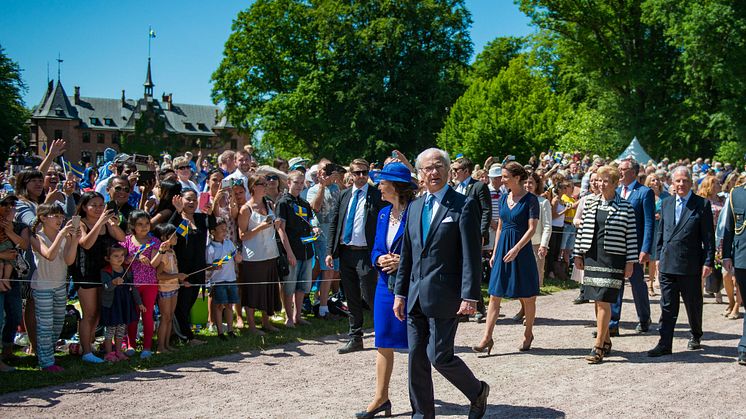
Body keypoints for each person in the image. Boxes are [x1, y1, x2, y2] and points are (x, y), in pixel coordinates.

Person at [393, 148, 489, 419]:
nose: (433, 172)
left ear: (448, 171)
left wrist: (470, 295)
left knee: (439, 356)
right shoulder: (414, 207)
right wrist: (400, 293)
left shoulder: (464, 205)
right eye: (427, 168)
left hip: (446, 295)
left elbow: (471, 254)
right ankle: (422, 415)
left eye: (438, 167)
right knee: (416, 358)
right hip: (414, 296)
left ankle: (477, 391)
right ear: (420, 174)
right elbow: (408, 257)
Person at [356, 162, 416, 418]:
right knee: (383, 342)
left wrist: (402, 260)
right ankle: (381, 398)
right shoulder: (382, 213)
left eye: (382, 182)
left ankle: (420, 400)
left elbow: (423, 248)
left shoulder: (416, 211)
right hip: (384, 284)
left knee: (417, 343)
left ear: (396, 186)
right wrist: (379, 259)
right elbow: (376, 247)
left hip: (411, 284)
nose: (379, 186)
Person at [648, 166, 715, 357]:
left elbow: (708, 237)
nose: (681, 184)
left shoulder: (701, 205)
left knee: (693, 304)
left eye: (685, 180)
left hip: (690, 264)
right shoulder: (667, 203)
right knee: (667, 305)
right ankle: (664, 343)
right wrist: (659, 255)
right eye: (678, 181)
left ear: (691, 182)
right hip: (668, 262)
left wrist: (708, 262)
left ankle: (696, 334)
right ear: (672, 182)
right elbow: (661, 232)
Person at [474, 162, 539, 354]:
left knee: (528, 296)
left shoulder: (530, 200)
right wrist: (495, 252)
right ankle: (487, 338)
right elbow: (501, 227)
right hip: (502, 248)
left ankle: (528, 333)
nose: (501, 180)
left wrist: (517, 248)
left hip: (522, 250)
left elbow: (532, 229)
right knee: (495, 294)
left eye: (505, 176)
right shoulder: (503, 198)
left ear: (516, 178)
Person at [574, 166, 637, 364]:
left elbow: (631, 236)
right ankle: (606, 340)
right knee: (595, 298)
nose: (601, 184)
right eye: (599, 180)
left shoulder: (626, 206)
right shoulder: (591, 202)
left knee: (604, 300)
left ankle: (598, 346)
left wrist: (630, 261)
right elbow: (582, 229)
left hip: (614, 258)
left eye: (606, 181)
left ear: (616, 183)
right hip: (592, 255)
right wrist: (578, 254)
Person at [326, 158, 385, 353]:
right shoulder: (344, 196)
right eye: (357, 173)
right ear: (350, 174)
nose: (361, 176)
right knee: (351, 296)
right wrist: (329, 251)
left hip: (366, 253)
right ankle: (355, 336)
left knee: (371, 295)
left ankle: (384, 333)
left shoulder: (377, 195)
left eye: (364, 172)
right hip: (346, 252)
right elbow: (335, 223)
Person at [74, 191, 126, 363]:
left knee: (97, 313)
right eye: (93, 205)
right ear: (84, 207)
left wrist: (110, 223)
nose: (98, 209)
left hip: (104, 273)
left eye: (101, 205)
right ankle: (86, 352)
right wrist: (99, 223)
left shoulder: (106, 222)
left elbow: (122, 238)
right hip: (86, 272)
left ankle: (87, 345)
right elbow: (86, 244)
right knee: (88, 313)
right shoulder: (80, 223)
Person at [30, 203, 78, 371]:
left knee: (58, 324)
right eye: (55, 216)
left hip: (60, 285)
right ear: (43, 218)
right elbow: (49, 255)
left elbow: (69, 260)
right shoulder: (36, 236)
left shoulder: (63, 235)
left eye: (61, 216)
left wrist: (74, 241)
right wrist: (62, 235)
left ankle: (46, 354)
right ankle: (46, 362)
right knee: (45, 325)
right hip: (42, 286)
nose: (60, 219)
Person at [611, 158, 654, 335]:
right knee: (615, 283)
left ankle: (644, 318)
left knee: (637, 284)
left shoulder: (644, 192)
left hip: (635, 248)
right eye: (619, 169)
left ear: (634, 172)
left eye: (624, 169)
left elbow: (649, 223)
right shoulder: (616, 191)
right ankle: (612, 323)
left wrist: (645, 249)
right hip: (617, 246)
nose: (620, 172)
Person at [169, 188, 214, 344]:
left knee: (189, 304)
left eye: (194, 199)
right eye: (188, 199)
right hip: (182, 269)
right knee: (182, 305)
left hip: (198, 268)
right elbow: (169, 233)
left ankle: (180, 334)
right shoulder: (176, 218)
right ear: (180, 200)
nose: (191, 202)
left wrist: (210, 212)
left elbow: (213, 225)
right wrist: (177, 213)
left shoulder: (200, 218)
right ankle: (187, 337)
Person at [237, 176, 281, 334]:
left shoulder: (269, 204)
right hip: (254, 256)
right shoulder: (245, 209)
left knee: (267, 290)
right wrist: (260, 228)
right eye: (262, 184)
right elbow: (242, 236)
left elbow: (274, 227)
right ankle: (252, 326)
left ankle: (266, 322)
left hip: (270, 253)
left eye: (265, 184)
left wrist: (276, 224)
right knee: (253, 291)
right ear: (253, 187)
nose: (266, 186)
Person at [450, 157, 492, 323]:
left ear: (466, 171)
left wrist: (481, 233)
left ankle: (479, 306)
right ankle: (462, 308)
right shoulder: (454, 188)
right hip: (456, 234)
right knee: (459, 269)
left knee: (472, 268)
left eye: (456, 170)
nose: (453, 173)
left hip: (473, 234)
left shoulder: (478, 186)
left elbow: (486, 210)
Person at [276, 171, 317, 328]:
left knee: (302, 287)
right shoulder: (283, 203)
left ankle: (297, 315)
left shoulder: (305, 204)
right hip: (291, 251)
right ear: (288, 183)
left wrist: (315, 230)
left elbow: (311, 222)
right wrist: (289, 253)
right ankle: (288, 318)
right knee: (289, 286)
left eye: (302, 183)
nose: (299, 186)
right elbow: (281, 230)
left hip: (306, 251)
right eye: (296, 182)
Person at [120, 210, 162, 359]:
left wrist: (161, 252)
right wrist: (135, 257)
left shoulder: (154, 241)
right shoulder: (127, 240)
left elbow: (154, 263)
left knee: (147, 314)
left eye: (146, 224)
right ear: (132, 226)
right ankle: (130, 344)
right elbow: (122, 259)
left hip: (150, 283)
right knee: (132, 315)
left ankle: (147, 347)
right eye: (140, 224)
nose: (144, 227)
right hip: (132, 284)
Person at [307, 161, 342, 320]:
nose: (325, 173)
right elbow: (314, 207)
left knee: (332, 271)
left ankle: (320, 300)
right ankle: (322, 308)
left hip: (336, 235)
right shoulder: (312, 189)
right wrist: (322, 186)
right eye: (322, 170)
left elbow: (347, 198)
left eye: (328, 170)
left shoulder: (337, 188)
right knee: (327, 270)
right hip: (321, 234)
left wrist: (338, 180)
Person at [100, 244, 145, 362]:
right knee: (110, 330)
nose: (120, 258)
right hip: (111, 305)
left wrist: (139, 303)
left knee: (121, 329)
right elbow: (105, 287)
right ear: (107, 258)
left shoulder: (127, 270)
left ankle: (119, 351)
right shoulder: (105, 271)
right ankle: (109, 353)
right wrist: (113, 282)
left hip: (124, 304)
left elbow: (133, 288)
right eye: (115, 256)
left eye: (122, 255)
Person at [206, 217, 242, 340]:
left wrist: (238, 258)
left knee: (229, 306)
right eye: (221, 230)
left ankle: (230, 330)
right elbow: (207, 266)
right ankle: (220, 331)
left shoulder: (229, 243)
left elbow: (236, 257)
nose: (224, 232)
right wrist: (213, 267)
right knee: (219, 306)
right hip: (218, 281)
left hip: (231, 279)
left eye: (225, 229)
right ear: (213, 232)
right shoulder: (210, 248)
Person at [153, 223, 185, 354]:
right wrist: (177, 275)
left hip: (174, 287)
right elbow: (159, 275)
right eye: (174, 235)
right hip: (165, 289)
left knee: (170, 316)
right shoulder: (164, 253)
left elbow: (173, 270)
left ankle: (166, 345)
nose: (177, 237)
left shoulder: (172, 251)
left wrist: (180, 280)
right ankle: (160, 347)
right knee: (165, 317)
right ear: (164, 237)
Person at [698, 175, 724, 303]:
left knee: (718, 264)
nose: (719, 185)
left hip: (719, 236)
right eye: (717, 183)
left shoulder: (722, 200)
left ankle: (718, 291)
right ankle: (700, 293)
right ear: (710, 185)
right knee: (704, 263)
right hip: (706, 235)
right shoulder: (702, 200)